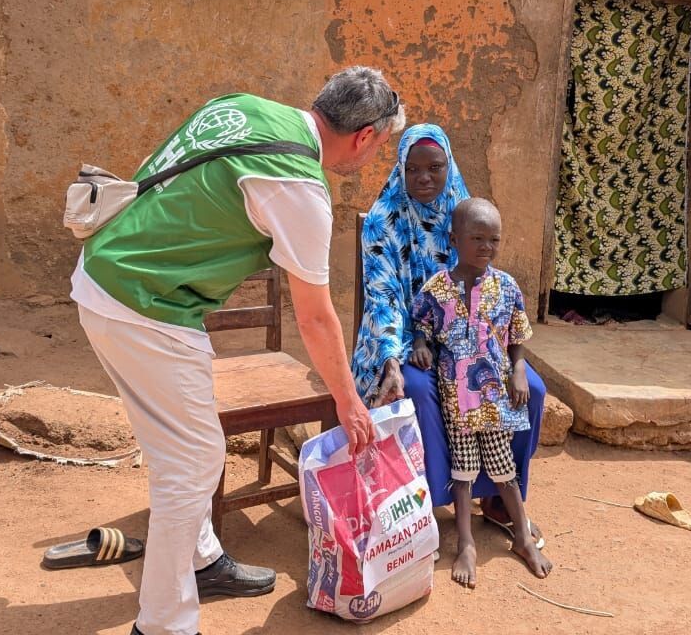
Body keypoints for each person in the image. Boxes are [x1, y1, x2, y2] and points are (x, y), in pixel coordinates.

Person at [71, 66, 405, 635]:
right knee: (195, 462)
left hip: (111, 276)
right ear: (365, 135)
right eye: (380, 149)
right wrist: (348, 402)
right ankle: (162, 625)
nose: (372, 160)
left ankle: (200, 560)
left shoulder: (243, 105)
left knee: (184, 451)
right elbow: (316, 318)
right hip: (143, 306)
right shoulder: (300, 186)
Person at [350, 124, 548, 544]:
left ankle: (498, 498)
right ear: (400, 170)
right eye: (413, 169)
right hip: (410, 339)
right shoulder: (383, 220)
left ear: (448, 167)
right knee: (420, 390)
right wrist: (390, 359)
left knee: (532, 388)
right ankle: (435, 500)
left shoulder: (463, 212)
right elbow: (382, 296)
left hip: (475, 343)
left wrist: (508, 358)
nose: (424, 178)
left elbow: (494, 289)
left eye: (435, 167)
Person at [409, 197, 552, 586]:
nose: (486, 247)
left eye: (494, 240)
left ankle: (522, 535)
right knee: (463, 473)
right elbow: (421, 324)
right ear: (454, 239)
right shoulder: (437, 288)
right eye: (477, 238)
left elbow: (517, 337)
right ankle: (466, 543)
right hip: (457, 401)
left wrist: (519, 368)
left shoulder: (506, 287)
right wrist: (421, 344)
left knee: (504, 469)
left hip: (494, 401)